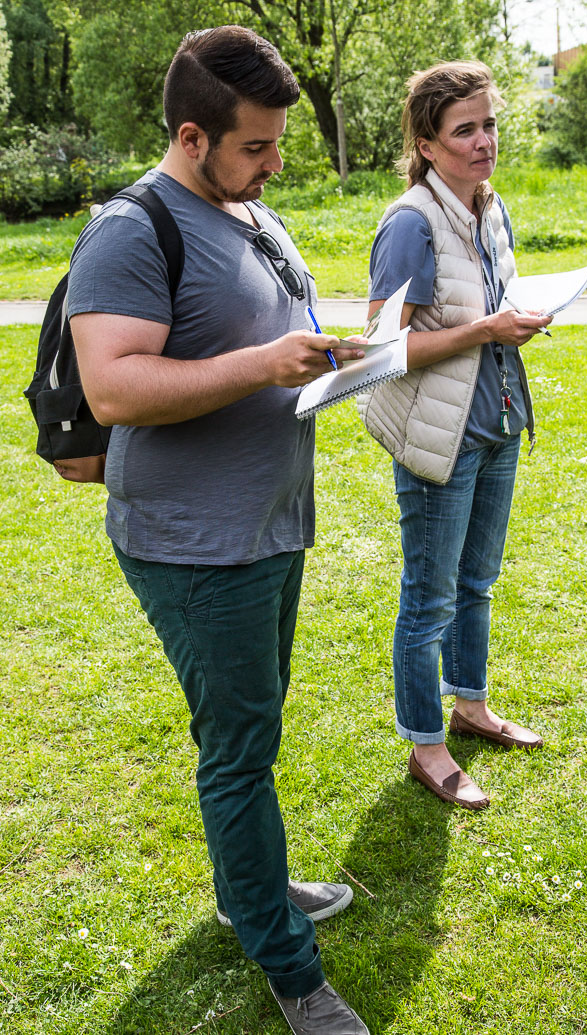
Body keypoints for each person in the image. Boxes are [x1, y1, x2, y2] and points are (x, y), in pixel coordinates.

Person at [68, 25, 370, 1035]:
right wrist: (263, 365)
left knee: (252, 730)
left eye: (279, 143)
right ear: (192, 136)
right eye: (257, 146)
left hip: (267, 525)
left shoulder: (250, 210)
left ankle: (252, 891)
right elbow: (114, 389)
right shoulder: (130, 230)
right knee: (238, 752)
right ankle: (290, 966)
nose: (275, 162)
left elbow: (261, 337)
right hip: (196, 543)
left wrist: (335, 355)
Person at [358, 60, 550, 811]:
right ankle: (426, 745)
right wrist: (486, 329)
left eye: (489, 124)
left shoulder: (489, 206)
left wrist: (516, 321)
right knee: (429, 597)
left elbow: (489, 309)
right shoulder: (410, 222)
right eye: (464, 130)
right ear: (427, 144)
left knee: (478, 582)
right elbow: (380, 350)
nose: (483, 142)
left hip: (497, 419)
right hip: (441, 436)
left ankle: (470, 705)